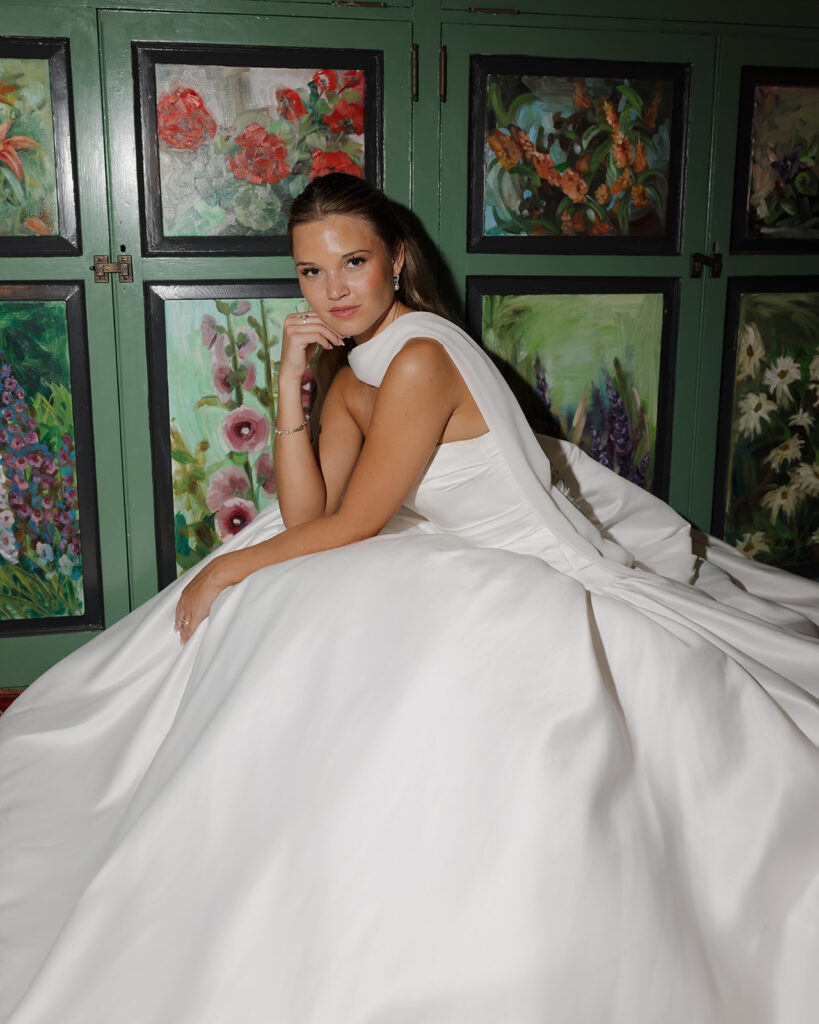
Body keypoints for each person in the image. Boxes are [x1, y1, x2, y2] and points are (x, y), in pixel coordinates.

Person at [1, 173, 817, 1024]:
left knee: (273, 586)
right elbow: (310, 510)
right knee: (284, 591)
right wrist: (291, 381)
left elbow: (351, 524)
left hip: (527, 563)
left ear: (396, 259)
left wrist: (218, 571)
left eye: (353, 262)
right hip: (452, 548)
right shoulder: (355, 374)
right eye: (311, 272)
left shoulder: (422, 357)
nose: (334, 290)